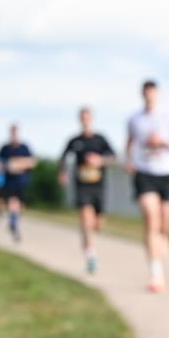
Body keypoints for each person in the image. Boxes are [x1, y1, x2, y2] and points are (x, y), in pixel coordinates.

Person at [125, 80, 169, 292]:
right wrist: (129, 160)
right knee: (150, 217)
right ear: (142, 94)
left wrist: (163, 143)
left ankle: (164, 235)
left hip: (166, 172)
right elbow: (130, 141)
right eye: (146, 93)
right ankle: (156, 274)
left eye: (152, 93)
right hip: (144, 173)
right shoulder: (135, 119)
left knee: (164, 220)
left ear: (157, 94)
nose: (149, 96)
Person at [59, 107, 116, 274]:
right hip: (82, 186)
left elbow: (113, 157)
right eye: (82, 118)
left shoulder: (100, 139)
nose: (85, 120)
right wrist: (62, 173)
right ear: (79, 120)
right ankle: (91, 256)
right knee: (86, 219)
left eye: (87, 118)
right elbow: (63, 157)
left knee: (97, 224)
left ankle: (87, 238)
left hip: (98, 186)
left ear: (91, 119)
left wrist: (100, 160)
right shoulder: (74, 141)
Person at [0, 124, 36, 243]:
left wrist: (18, 163)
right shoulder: (5, 148)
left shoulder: (24, 147)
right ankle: (13, 224)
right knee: (12, 202)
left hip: (22, 181)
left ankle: (14, 221)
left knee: (19, 205)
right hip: (9, 181)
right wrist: (7, 166)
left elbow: (32, 162)